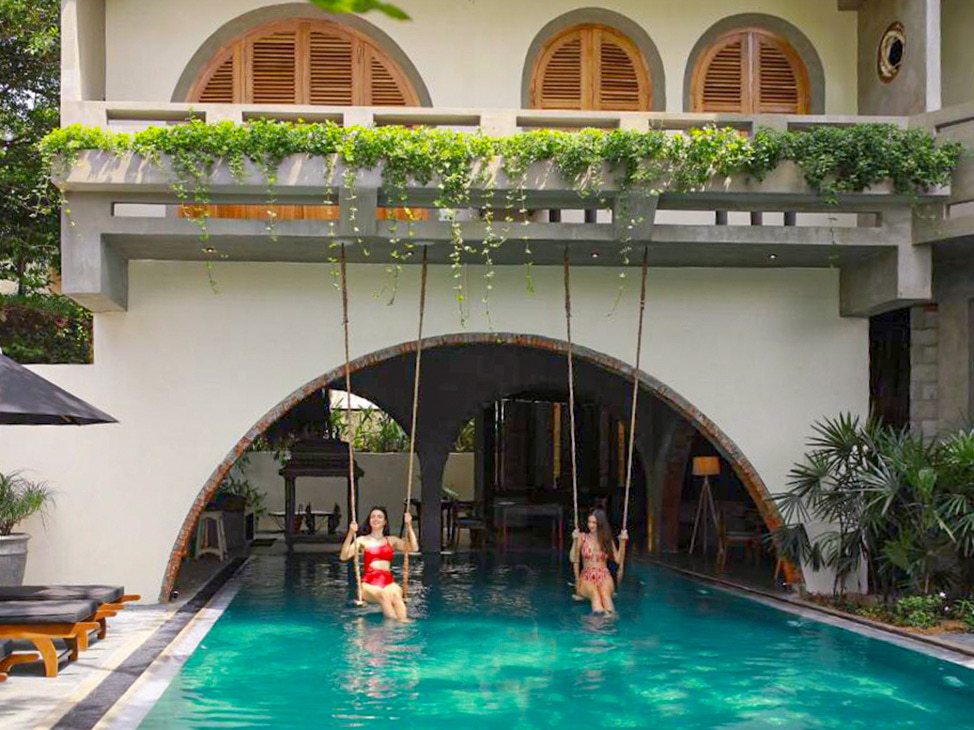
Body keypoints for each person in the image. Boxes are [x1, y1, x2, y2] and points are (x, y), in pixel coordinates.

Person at [340, 505, 418, 621]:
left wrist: (409, 525)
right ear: (369, 521)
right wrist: (351, 533)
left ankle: (402, 625)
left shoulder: (391, 540)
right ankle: (394, 628)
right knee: (383, 595)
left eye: (379, 517)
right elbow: (344, 556)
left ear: (385, 522)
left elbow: (414, 548)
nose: (376, 519)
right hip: (369, 583)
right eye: (373, 517)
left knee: (397, 596)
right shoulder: (362, 540)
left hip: (388, 581)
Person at [570, 508, 628, 614]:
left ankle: (609, 624)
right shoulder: (582, 537)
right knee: (595, 594)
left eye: (594, 523)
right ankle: (598, 624)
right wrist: (574, 541)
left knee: (605, 595)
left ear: (601, 524)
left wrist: (623, 542)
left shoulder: (607, 540)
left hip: (604, 575)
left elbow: (618, 560)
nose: (590, 525)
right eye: (589, 522)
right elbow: (573, 558)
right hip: (587, 576)